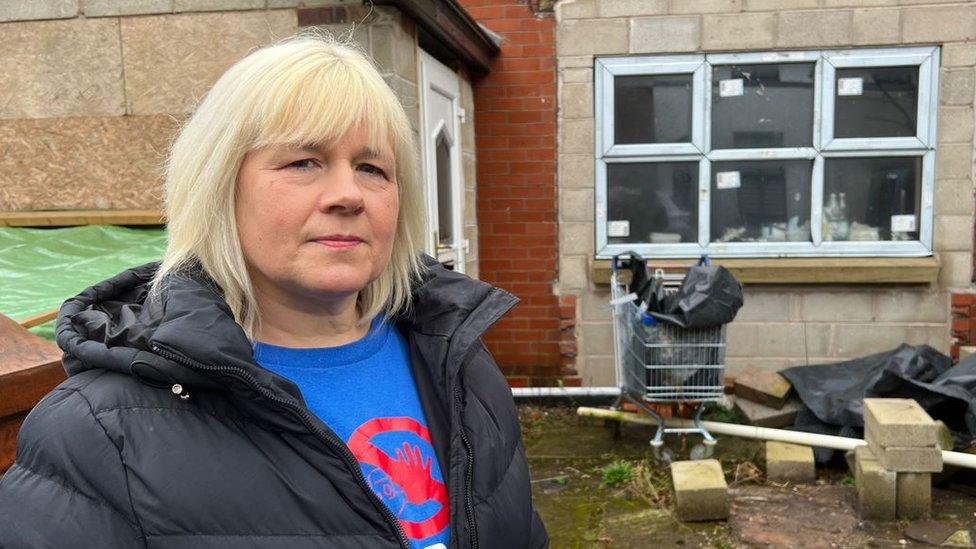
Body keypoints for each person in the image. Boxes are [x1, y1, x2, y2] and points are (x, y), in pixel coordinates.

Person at [0, 32, 548, 549]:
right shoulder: (97, 433)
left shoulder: (459, 362)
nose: (348, 194)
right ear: (218, 187)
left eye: (372, 167)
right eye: (303, 162)